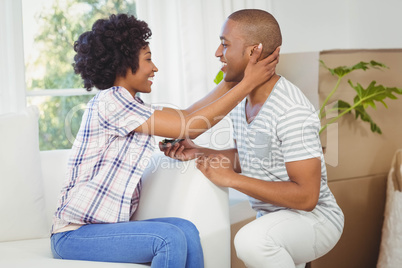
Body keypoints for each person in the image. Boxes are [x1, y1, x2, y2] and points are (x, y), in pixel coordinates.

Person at [50, 13, 279, 267]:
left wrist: (232, 80)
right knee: (168, 238)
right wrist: (248, 84)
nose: (154, 67)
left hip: (101, 230)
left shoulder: (131, 104)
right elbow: (189, 127)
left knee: (187, 231)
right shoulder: (110, 101)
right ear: (124, 64)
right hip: (74, 234)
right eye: (148, 59)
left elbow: (186, 116)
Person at [161, 9, 344, 268]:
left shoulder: (291, 110)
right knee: (257, 238)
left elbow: (307, 197)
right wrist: (200, 152)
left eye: (224, 45)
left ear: (253, 52)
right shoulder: (241, 101)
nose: (217, 53)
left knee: (251, 240)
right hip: (276, 217)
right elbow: (248, 158)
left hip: (315, 219)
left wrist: (231, 180)